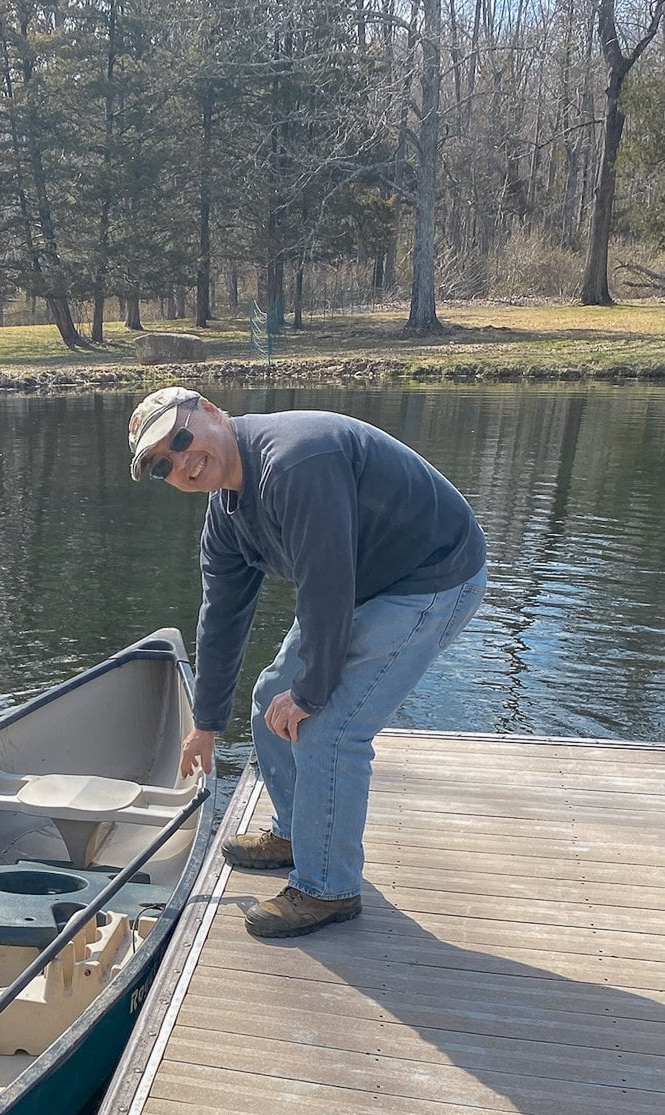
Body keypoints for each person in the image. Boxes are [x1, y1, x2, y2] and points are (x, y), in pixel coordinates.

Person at [128, 387, 487, 939]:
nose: (181, 460)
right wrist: (204, 724)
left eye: (181, 438)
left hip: (431, 577)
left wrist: (311, 693)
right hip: (359, 582)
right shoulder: (225, 517)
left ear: (212, 413)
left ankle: (329, 889)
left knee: (330, 728)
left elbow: (325, 586)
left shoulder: (296, 460)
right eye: (162, 465)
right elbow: (221, 617)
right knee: (268, 695)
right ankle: (299, 832)